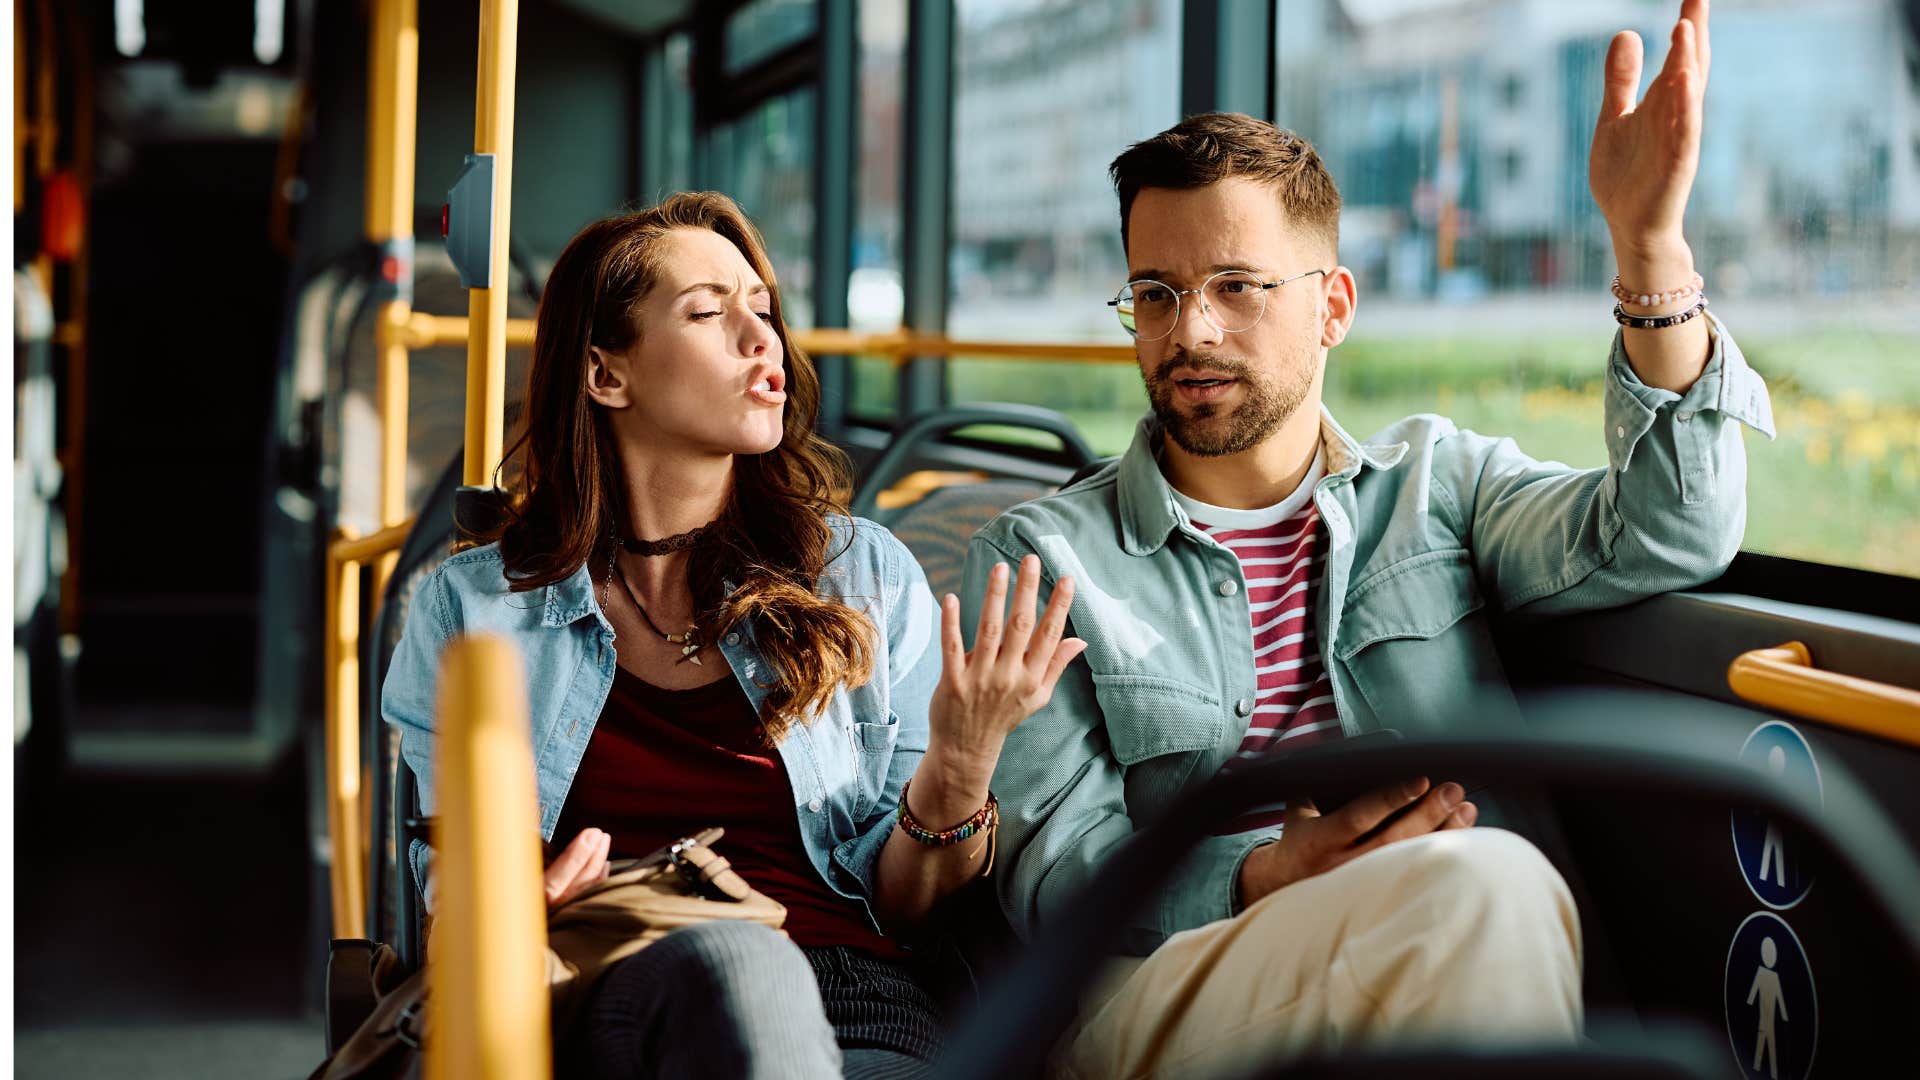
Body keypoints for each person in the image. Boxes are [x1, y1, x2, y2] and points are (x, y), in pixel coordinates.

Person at [964, 3, 1773, 1076]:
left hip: (1439, 940)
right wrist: (1258, 874)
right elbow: (1053, 875)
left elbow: (1674, 533)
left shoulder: (1440, 485)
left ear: (1333, 306)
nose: (1189, 331)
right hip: (1163, 986)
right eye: (1154, 295)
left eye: (1238, 288)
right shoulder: (1043, 559)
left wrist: (1650, 252)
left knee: (1478, 897)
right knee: (1490, 884)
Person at [381, 192, 1086, 1079]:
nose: (764, 341)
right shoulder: (475, 610)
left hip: (851, 1002)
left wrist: (960, 763)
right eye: (710, 313)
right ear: (606, 374)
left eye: (763, 308)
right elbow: (455, 906)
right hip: (595, 989)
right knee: (736, 958)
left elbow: (906, 909)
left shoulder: (862, 577)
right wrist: (511, 908)